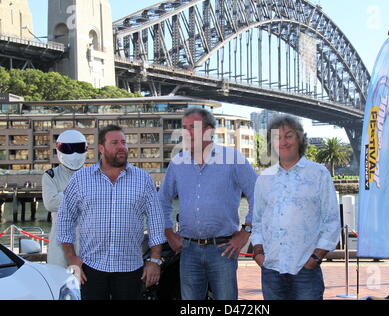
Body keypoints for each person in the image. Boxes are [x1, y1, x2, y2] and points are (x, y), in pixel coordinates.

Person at [158, 107, 257, 300]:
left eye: (192, 127)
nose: (186, 133)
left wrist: (246, 231)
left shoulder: (233, 159)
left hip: (223, 249)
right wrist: (169, 232)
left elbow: (259, 195)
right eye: (184, 128)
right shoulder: (178, 163)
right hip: (188, 250)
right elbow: (162, 201)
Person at [57, 125, 166, 300]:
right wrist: (71, 258)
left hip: (130, 269)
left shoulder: (143, 179)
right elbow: (65, 219)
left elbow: (156, 221)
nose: (121, 146)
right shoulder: (80, 179)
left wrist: (154, 261)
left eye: (123, 142)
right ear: (101, 148)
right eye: (114, 142)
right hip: (91, 268)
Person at [251, 115, 341, 300]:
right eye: (277, 137)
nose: (283, 142)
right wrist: (258, 253)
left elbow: (331, 221)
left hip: (305, 269)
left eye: (289, 136)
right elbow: (258, 220)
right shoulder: (264, 178)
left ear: (300, 139)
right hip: (271, 268)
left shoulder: (319, 174)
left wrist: (315, 258)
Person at [42, 129, 87, 268]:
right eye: (68, 149)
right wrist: (82, 196)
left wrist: (63, 195)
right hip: (59, 243)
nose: (74, 153)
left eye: (78, 148)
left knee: (88, 287)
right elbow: (50, 203)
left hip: (88, 242)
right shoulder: (50, 175)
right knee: (58, 282)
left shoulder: (93, 175)